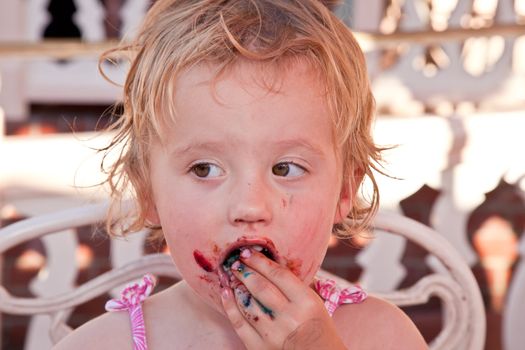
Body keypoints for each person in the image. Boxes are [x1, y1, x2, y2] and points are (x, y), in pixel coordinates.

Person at [55, 0, 427, 349]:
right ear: (148, 192)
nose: (249, 206)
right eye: (205, 169)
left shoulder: (382, 336)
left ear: (345, 191)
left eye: (285, 168)